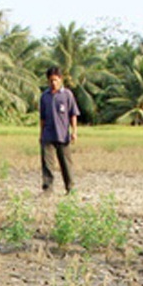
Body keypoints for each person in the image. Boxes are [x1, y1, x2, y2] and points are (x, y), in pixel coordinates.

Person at [39, 66, 79, 194]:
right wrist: (41, 134)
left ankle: (70, 189)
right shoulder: (44, 96)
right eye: (51, 80)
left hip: (63, 135)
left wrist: (74, 132)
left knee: (66, 164)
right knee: (47, 165)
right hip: (48, 136)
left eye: (55, 80)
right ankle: (48, 189)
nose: (53, 83)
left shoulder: (67, 95)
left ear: (60, 79)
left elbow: (73, 114)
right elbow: (42, 118)